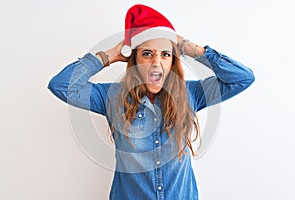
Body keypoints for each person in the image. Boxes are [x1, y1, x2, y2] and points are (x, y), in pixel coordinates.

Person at [47, 4, 254, 200]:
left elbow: (242, 78)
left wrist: (190, 48)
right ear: (134, 60)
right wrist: (108, 56)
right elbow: (62, 85)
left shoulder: (190, 93)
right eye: (147, 54)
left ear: (173, 61)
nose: (156, 62)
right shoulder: (112, 96)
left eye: (165, 54)